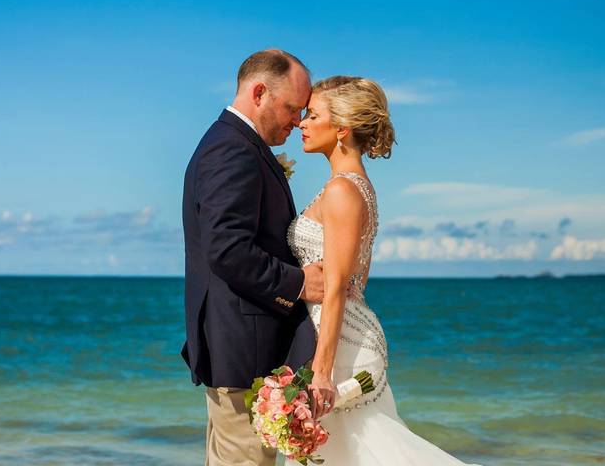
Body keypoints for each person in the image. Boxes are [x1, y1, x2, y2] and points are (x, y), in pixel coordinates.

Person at [287, 75, 484, 465]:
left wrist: (322, 371)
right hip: (339, 330)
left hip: (337, 338)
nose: (301, 124)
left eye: (312, 115)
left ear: (341, 129)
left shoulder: (343, 190)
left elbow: (339, 285)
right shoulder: (356, 186)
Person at [181, 48, 325, 466]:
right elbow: (227, 248)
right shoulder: (233, 149)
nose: (297, 121)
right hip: (244, 352)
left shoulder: (235, 143)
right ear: (259, 92)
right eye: (291, 108)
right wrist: (298, 284)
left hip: (239, 346)